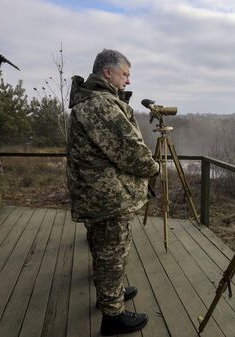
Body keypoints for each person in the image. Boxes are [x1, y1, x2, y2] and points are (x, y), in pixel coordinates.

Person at [67, 49, 159, 336]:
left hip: (97, 192)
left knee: (103, 248)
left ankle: (113, 292)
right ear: (107, 72)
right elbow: (131, 150)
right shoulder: (100, 105)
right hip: (108, 196)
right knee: (112, 253)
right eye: (125, 74)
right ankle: (112, 315)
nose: (128, 81)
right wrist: (153, 167)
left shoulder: (90, 101)